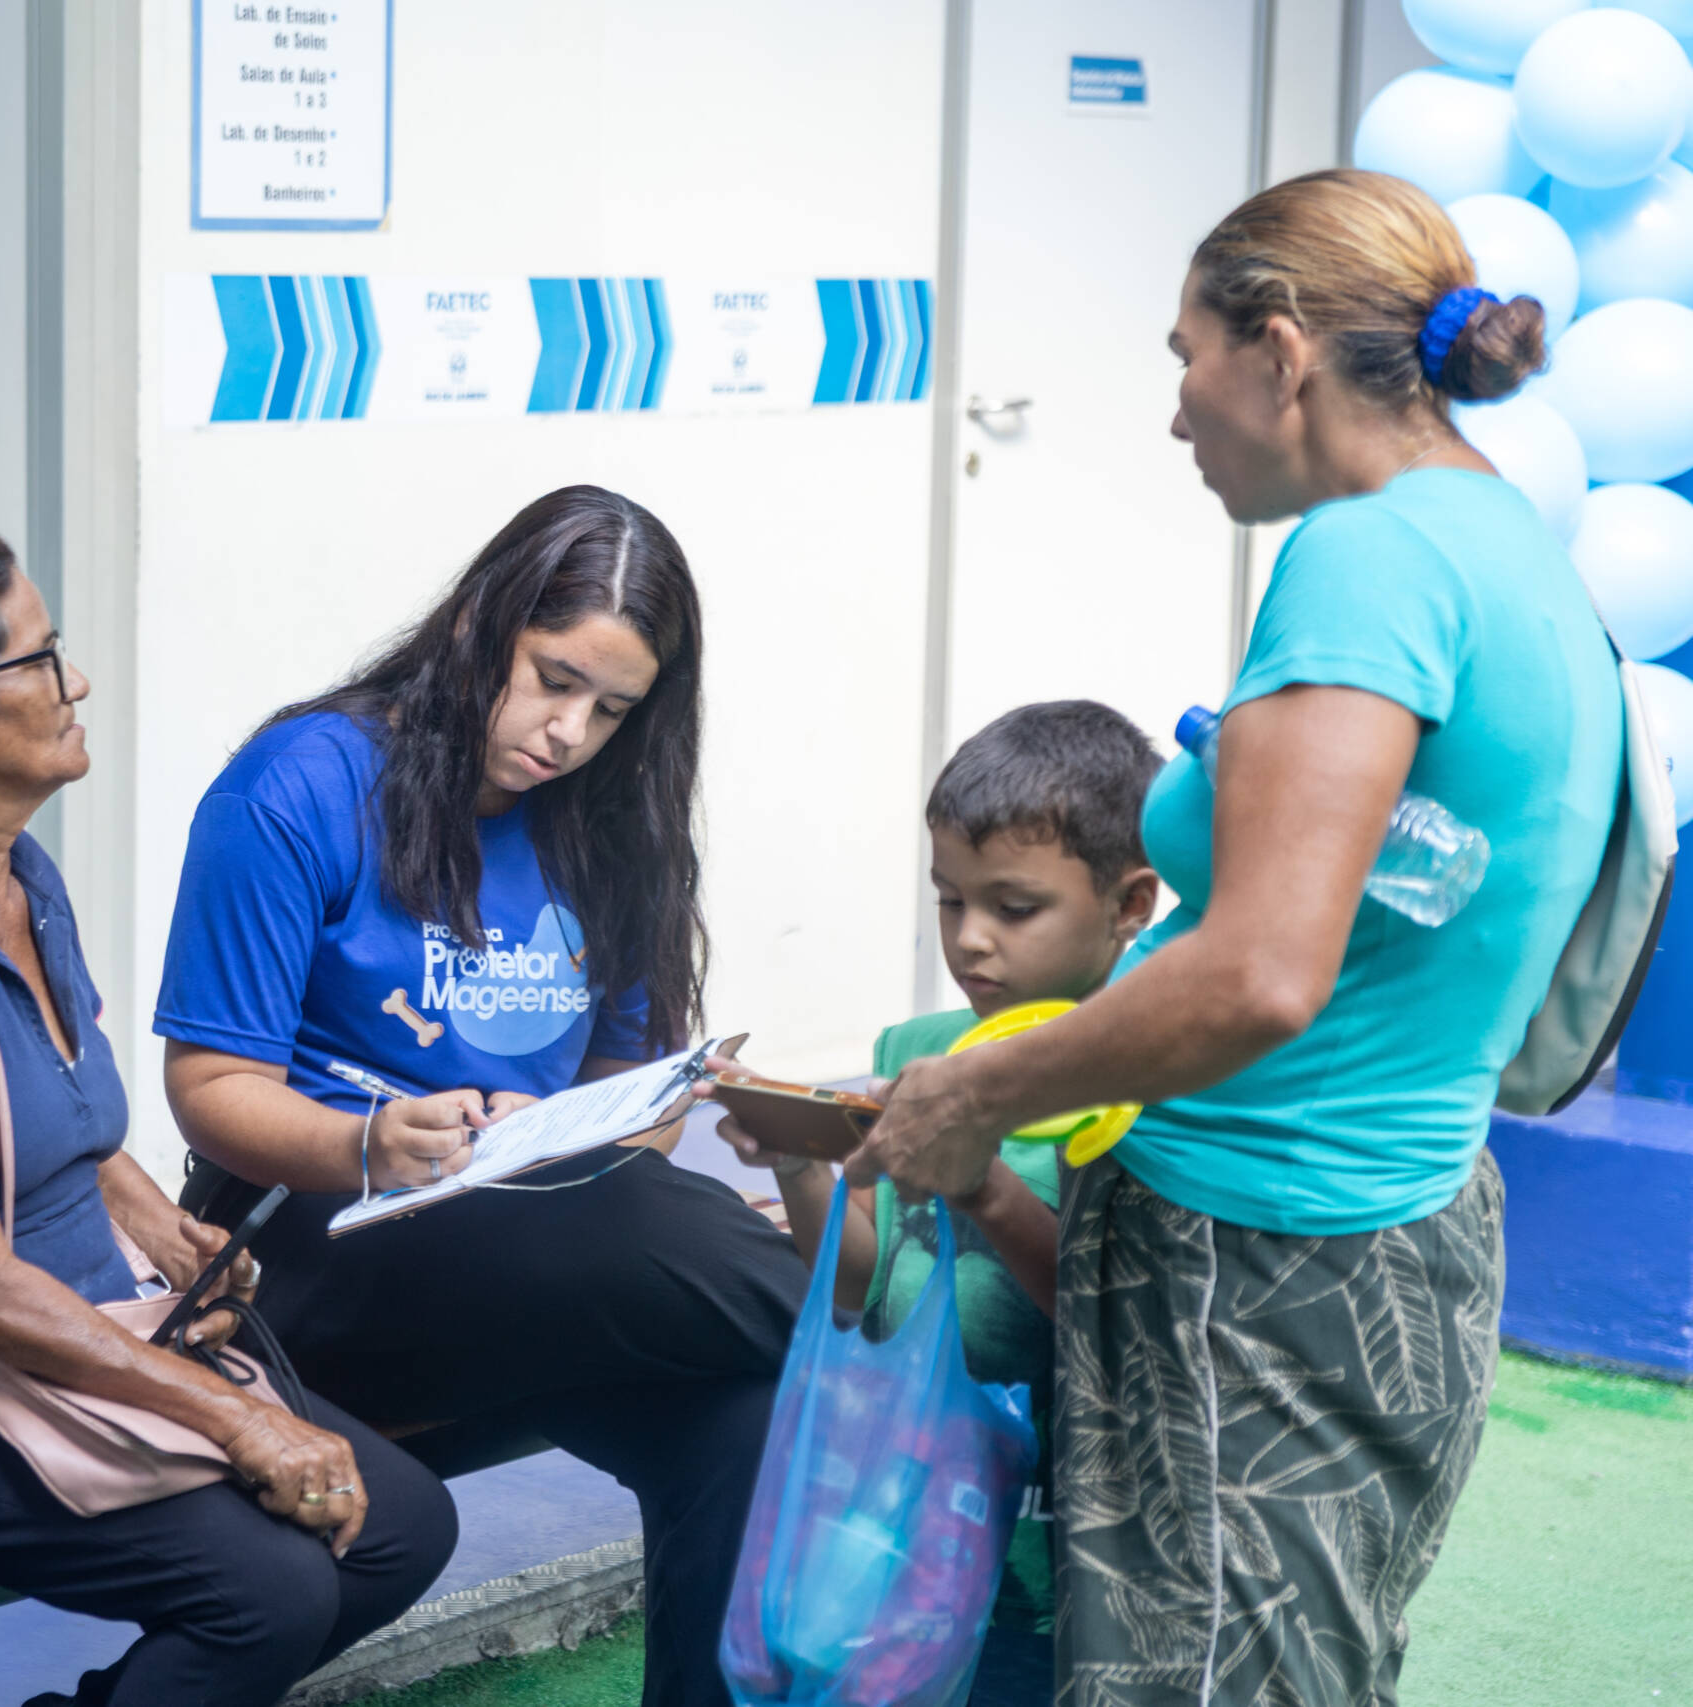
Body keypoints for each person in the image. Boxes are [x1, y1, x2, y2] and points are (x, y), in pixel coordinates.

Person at [848, 168, 1621, 1707]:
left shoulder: (1369, 556)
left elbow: (1266, 967)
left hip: (1254, 1255)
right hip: (1391, 1216)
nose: (1178, 410)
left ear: (1278, 346)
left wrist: (973, 1093)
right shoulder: (1509, 545)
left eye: (1184, 356)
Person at [0, 513, 456, 1707]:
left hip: (48, 1351)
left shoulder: (22, 877)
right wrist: (238, 1424)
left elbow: (64, 1111)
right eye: (43, 658)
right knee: (265, 1590)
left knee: (398, 1527)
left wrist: (162, 1233)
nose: (79, 683)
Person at [156, 484, 809, 1707]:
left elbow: (638, 1091)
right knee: (650, 1234)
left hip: (534, 1243)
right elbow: (208, 1088)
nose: (568, 732)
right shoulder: (298, 784)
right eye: (553, 679)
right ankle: (894, 1343)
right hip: (322, 1249)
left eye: (611, 710)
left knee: (747, 1406)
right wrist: (374, 1140)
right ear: (474, 624)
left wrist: (573, 1128)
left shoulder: (611, 820)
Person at [721, 700, 1161, 1706]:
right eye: (947, 901)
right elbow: (861, 1290)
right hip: (898, 1515)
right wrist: (800, 1165)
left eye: (1013, 909)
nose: (970, 943)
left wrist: (984, 1189)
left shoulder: (1148, 1082)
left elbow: (1104, 1318)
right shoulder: (911, 1055)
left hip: (1059, 1548)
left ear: (1129, 903)